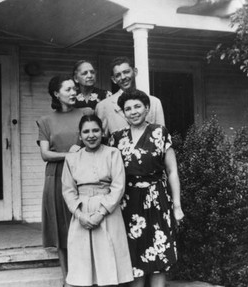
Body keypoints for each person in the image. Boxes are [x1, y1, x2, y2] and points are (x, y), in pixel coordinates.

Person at [109, 89, 184, 287]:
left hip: (156, 197)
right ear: (123, 113)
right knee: (135, 253)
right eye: (128, 109)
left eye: (137, 106)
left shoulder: (160, 133)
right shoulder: (116, 138)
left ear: (147, 108)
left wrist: (177, 205)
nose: (133, 112)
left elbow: (172, 171)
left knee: (159, 249)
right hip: (128, 201)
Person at [61, 115, 133, 287]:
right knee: (83, 264)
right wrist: (79, 215)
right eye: (86, 131)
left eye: (95, 130)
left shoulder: (112, 154)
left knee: (108, 260)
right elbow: (68, 190)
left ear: (102, 132)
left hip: (107, 210)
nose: (91, 135)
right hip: (82, 212)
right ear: (80, 135)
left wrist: (101, 213)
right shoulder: (72, 158)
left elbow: (118, 186)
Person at [36, 75, 90, 282]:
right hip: (57, 175)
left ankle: (86, 276)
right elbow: (45, 154)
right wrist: (71, 154)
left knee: (82, 221)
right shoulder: (46, 121)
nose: (73, 92)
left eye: (74, 89)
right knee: (62, 227)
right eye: (68, 89)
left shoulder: (86, 113)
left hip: (84, 175)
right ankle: (67, 278)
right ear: (56, 94)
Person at [95, 57, 165, 137]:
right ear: (114, 79)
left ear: (135, 72)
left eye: (126, 72)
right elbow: (102, 139)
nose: (123, 77)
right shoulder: (104, 106)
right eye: (118, 75)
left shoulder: (154, 102)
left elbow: (162, 136)